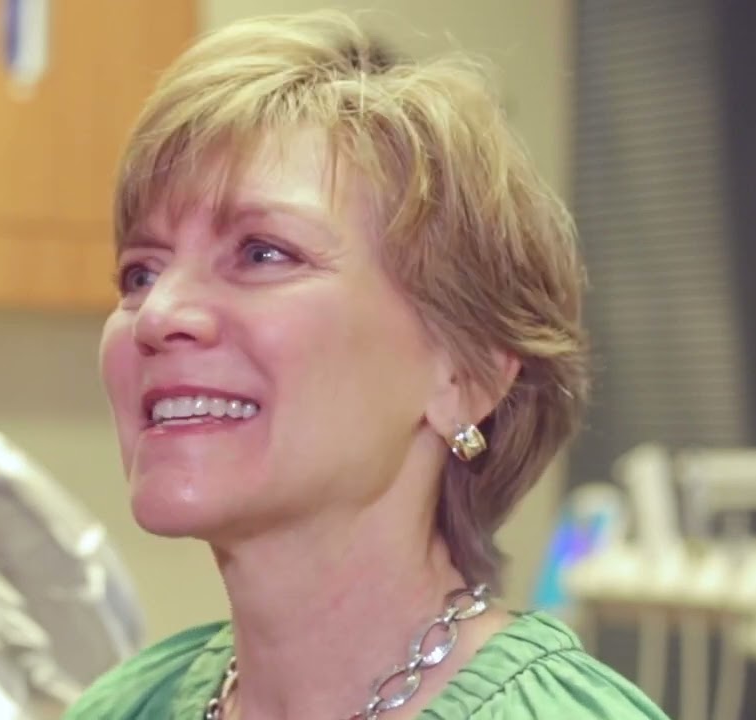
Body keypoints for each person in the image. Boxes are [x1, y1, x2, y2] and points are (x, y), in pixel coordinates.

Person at [65, 10, 668, 720]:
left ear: (464, 375)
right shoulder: (125, 707)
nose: (160, 314)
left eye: (263, 253)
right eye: (139, 273)